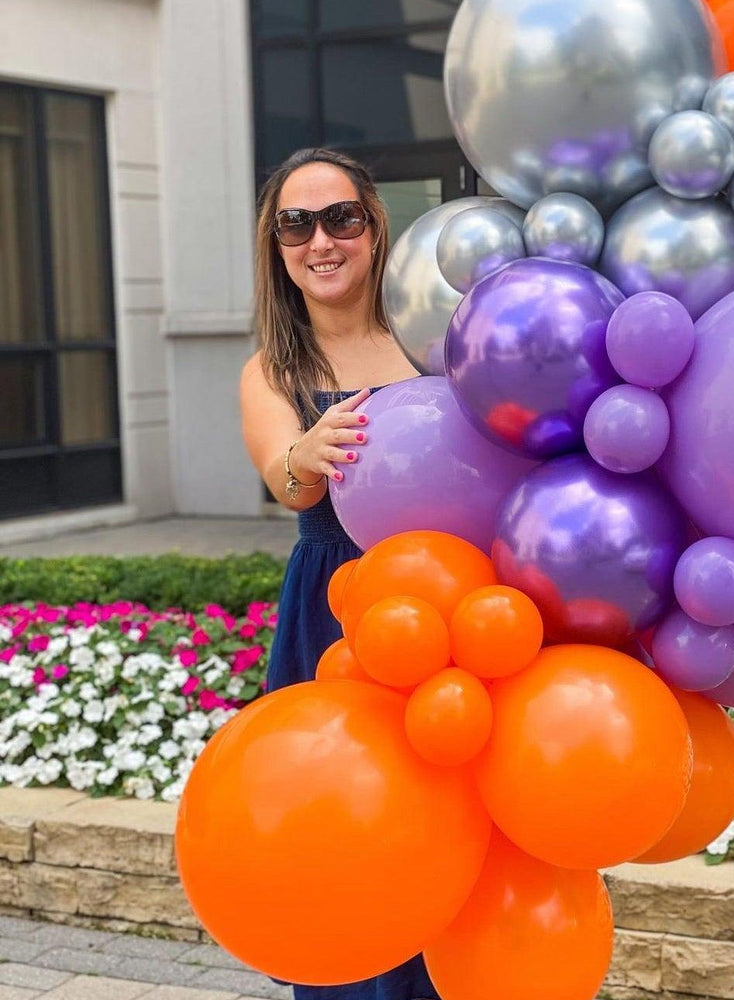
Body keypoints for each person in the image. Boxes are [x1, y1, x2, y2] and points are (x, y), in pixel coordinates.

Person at [239, 147, 435, 1000]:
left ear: (372, 227)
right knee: (341, 823)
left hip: (438, 605)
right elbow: (284, 480)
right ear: (276, 245)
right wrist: (306, 454)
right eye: (296, 224)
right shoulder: (272, 371)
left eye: (340, 218)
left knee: (433, 818)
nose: (321, 241)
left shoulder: (430, 341)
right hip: (332, 618)